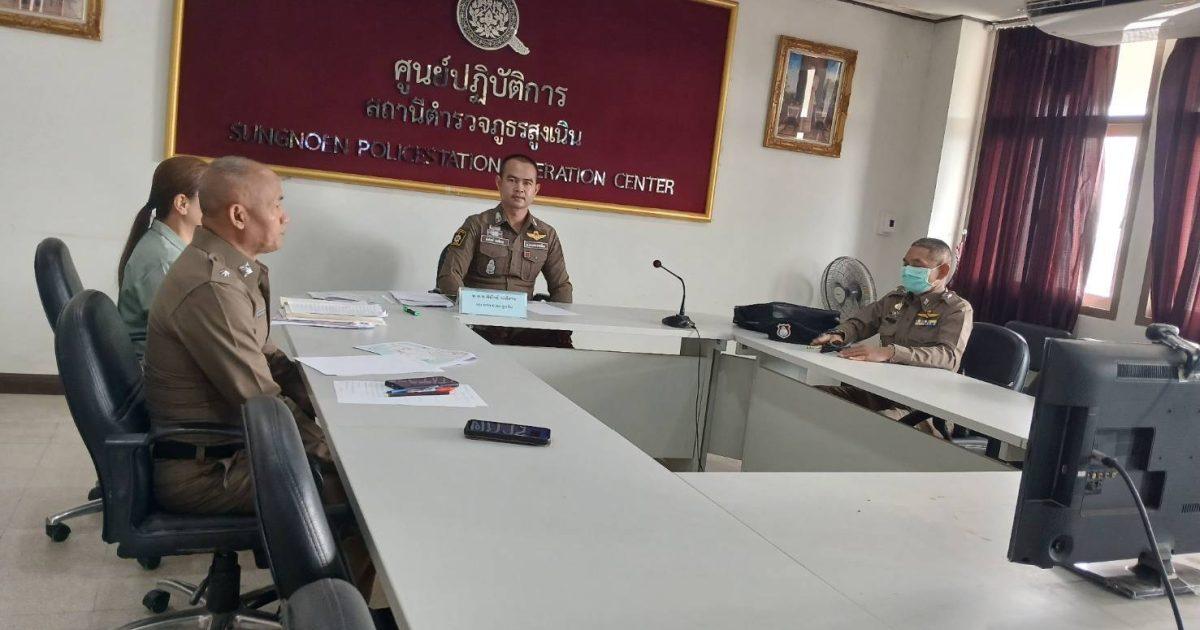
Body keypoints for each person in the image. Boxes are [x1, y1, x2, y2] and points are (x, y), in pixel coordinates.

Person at [142, 155, 326, 514]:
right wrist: (334, 452)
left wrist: (328, 404)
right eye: (276, 205)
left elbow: (267, 357)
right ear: (239, 216)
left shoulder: (231, 270)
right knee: (356, 494)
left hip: (228, 449)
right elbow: (263, 404)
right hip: (205, 472)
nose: (284, 217)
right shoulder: (213, 287)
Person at [811, 237, 973, 433]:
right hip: (882, 393)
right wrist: (839, 334)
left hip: (924, 408)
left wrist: (890, 352)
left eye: (916, 265)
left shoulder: (956, 309)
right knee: (815, 397)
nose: (907, 270)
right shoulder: (896, 299)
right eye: (905, 264)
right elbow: (861, 322)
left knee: (877, 425)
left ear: (943, 270)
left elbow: (948, 356)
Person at [437, 153, 573, 346]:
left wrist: (560, 326)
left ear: (536, 189)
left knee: (564, 353)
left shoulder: (546, 235)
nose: (520, 188)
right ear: (499, 183)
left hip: (524, 329)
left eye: (527, 183)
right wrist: (467, 313)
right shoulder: (477, 225)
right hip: (479, 327)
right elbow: (449, 276)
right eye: (512, 180)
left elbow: (561, 287)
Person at [116, 155, 208, 359]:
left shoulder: (169, 247)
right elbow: (186, 334)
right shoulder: (163, 260)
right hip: (158, 369)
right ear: (182, 203)